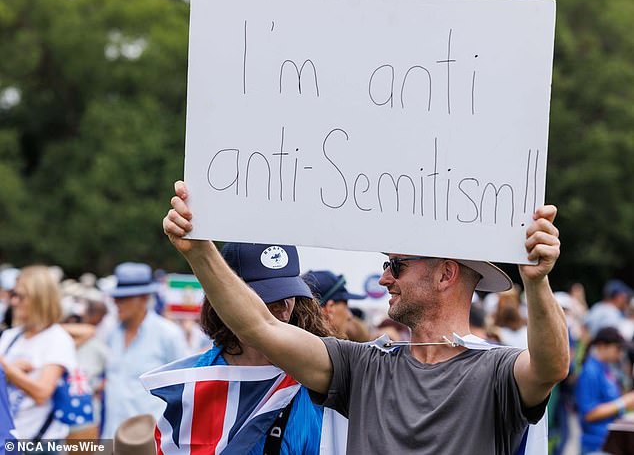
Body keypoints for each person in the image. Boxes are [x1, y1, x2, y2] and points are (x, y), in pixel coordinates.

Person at [163, 181, 569, 454]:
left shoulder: (496, 371)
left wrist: (536, 282)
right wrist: (199, 252)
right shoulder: (363, 365)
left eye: (397, 264)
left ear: (446, 274)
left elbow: (552, 365)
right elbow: (261, 327)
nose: (384, 277)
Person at [182, 242, 338, 454]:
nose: (283, 308)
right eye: (269, 297)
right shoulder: (198, 385)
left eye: (288, 293)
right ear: (226, 298)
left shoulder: (320, 373)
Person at [101, 262, 187, 438]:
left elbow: (185, 389)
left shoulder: (168, 334)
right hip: (113, 436)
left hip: (149, 440)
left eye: (123, 298)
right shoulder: (112, 333)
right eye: (116, 297)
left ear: (144, 298)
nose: (116, 302)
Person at [0, 265, 77, 441]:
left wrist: (7, 369)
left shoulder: (57, 339)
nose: (14, 302)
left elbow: (42, 393)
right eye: (13, 295)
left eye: (20, 296)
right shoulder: (11, 335)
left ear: (39, 299)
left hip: (39, 443)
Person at [574, 326, 634, 454]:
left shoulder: (605, 367)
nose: (620, 353)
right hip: (596, 445)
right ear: (602, 346)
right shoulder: (590, 371)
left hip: (609, 443)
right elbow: (589, 414)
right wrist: (623, 402)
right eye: (618, 348)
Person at [303, 270, 365, 338]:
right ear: (330, 308)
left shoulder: (294, 343)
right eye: (345, 307)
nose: (349, 316)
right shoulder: (327, 348)